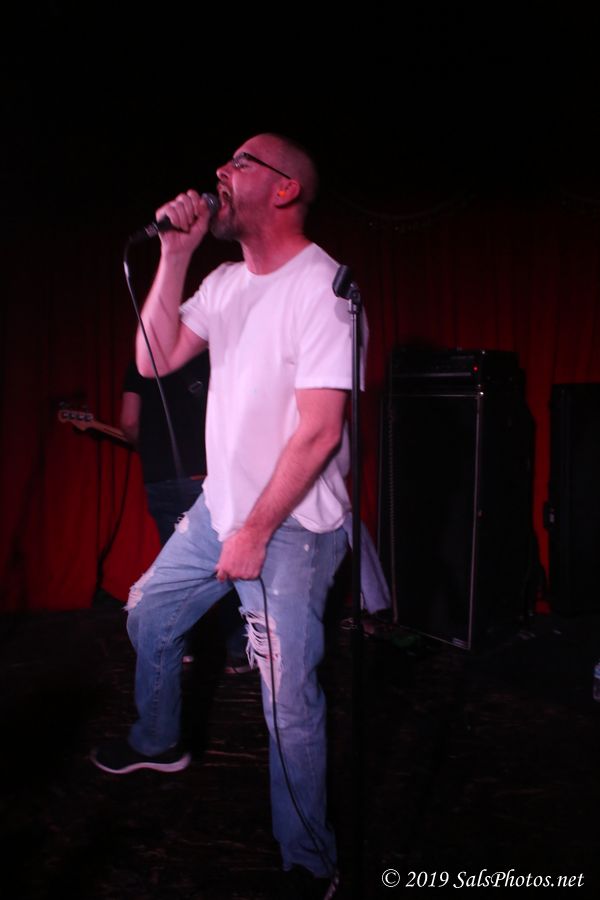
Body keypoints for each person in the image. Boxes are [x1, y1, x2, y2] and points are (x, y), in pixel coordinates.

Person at [91, 133, 367, 898]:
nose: (220, 170)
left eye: (241, 162)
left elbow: (320, 431)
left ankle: (309, 862)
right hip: (222, 509)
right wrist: (175, 254)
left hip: (292, 527)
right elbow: (152, 360)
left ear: (284, 189)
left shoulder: (324, 289)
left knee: (287, 702)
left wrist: (254, 532)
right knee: (148, 612)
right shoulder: (224, 281)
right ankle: (159, 740)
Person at [120, 357, 249, 672]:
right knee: (226, 562)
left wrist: (150, 448)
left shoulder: (142, 360)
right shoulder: (215, 356)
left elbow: (129, 421)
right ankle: (236, 650)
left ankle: (181, 648)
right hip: (207, 474)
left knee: (175, 568)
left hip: (161, 477)